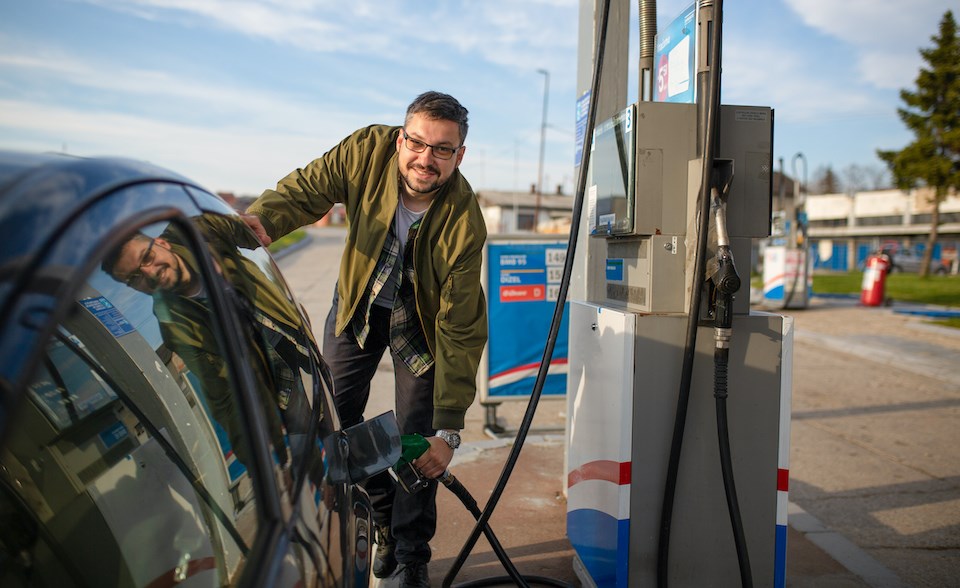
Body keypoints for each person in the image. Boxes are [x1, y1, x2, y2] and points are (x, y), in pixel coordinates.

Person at [242, 91, 488, 587]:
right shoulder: (364, 151)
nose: (426, 158)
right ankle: (379, 517)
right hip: (358, 302)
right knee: (332, 418)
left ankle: (412, 553)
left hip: (419, 323)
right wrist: (261, 220)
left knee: (418, 444)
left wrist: (448, 431)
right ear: (400, 139)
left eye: (442, 149)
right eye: (417, 143)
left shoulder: (465, 220)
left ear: (459, 156)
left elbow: (460, 327)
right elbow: (307, 189)